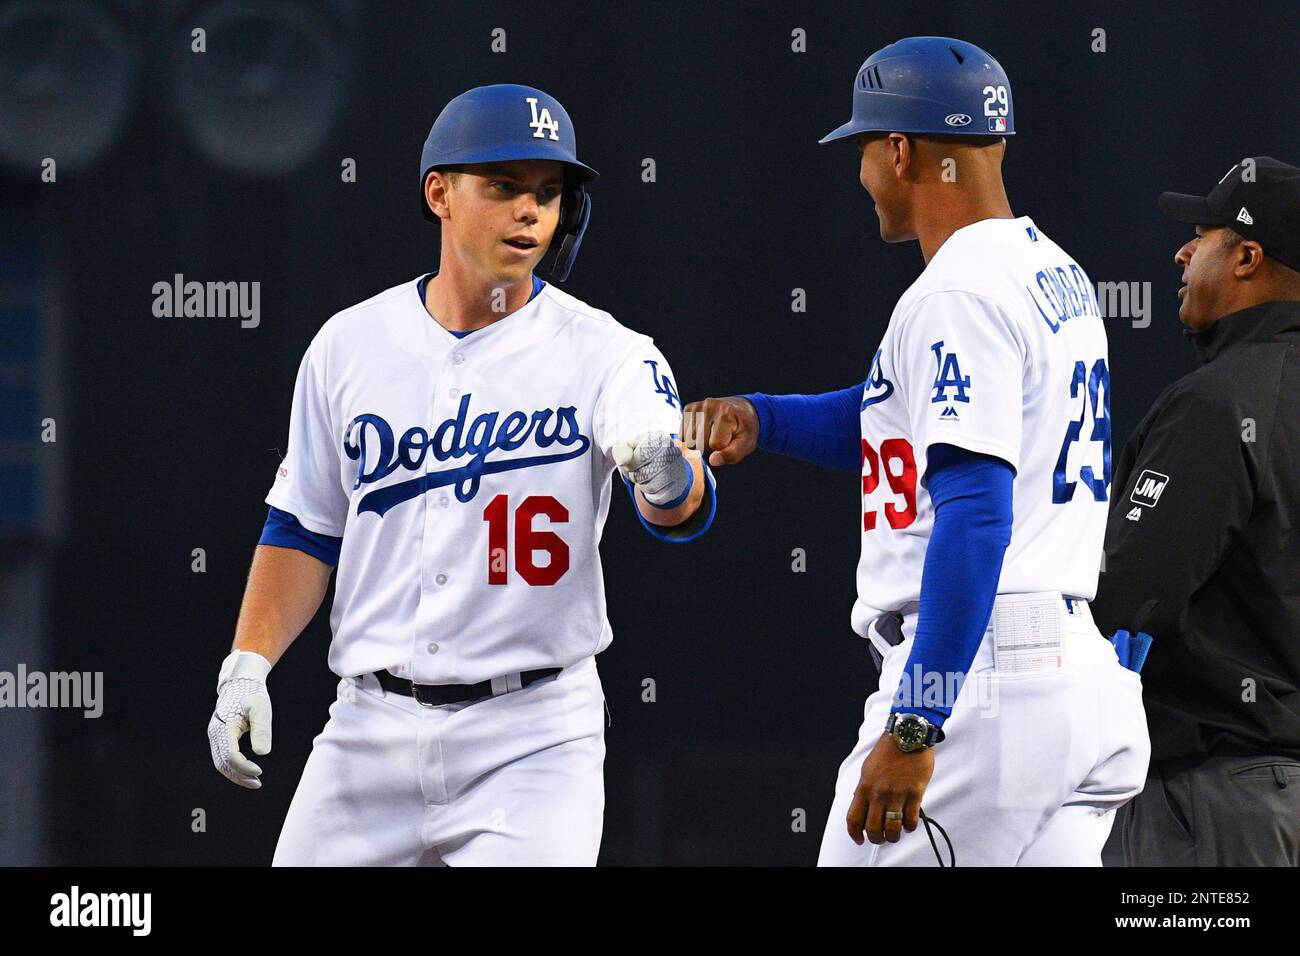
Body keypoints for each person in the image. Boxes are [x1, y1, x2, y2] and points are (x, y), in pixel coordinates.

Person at [205, 84, 716, 866]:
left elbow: (680, 509)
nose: (529, 213)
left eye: (547, 194)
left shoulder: (610, 354)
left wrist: (666, 475)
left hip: (534, 737)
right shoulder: (349, 346)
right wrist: (248, 664)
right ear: (439, 193)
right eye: (504, 186)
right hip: (368, 729)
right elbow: (304, 525)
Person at [683, 37, 1148, 865]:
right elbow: (900, 424)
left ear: (901, 152)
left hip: (979, 685)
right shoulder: (1056, 272)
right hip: (1074, 679)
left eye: (865, 149)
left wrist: (917, 718)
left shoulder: (957, 291)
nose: (861, 173)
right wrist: (766, 419)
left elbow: (974, 516)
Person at [1093, 157, 1300, 866]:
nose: (1182, 252)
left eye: (1203, 235)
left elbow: (1124, 597)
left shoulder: (1220, 403)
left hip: (1218, 808)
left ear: (1247, 258)